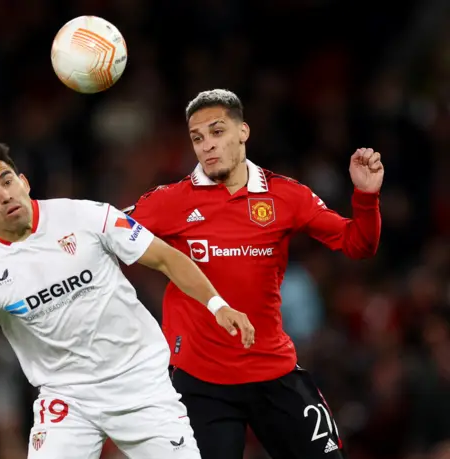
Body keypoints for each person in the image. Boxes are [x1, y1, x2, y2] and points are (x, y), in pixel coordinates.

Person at [0, 141, 256, 459]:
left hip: (139, 382)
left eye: (6, 181)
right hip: (67, 401)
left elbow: (166, 258)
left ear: (24, 181)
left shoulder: (87, 217)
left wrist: (218, 305)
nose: (3, 196)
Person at [123, 89, 383, 459]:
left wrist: (367, 197)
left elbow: (358, 244)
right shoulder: (168, 201)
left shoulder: (286, 196)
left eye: (217, 132)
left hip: (273, 371)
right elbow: (105, 232)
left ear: (243, 131)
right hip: (200, 383)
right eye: (197, 138)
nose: (206, 146)